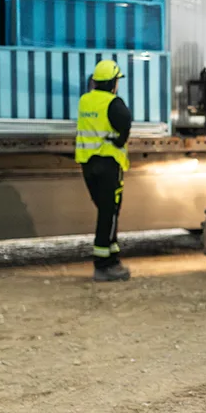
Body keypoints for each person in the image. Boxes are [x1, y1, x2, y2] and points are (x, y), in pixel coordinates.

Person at [76, 60, 132, 282]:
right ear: (112, 83)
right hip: (109, 164)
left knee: (105, 212)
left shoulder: (85, 100)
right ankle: (104, 264)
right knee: (109, 213)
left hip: (88, 164)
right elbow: (125, 122)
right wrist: (119, 140)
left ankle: (112, 254)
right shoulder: (113, 103)